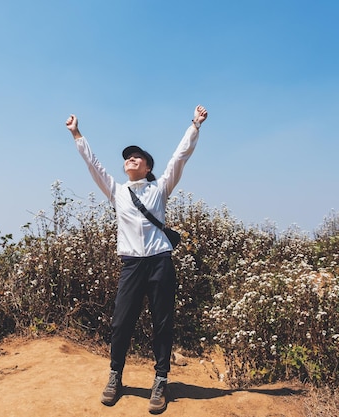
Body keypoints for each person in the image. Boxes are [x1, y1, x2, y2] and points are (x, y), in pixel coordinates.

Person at [65, 105, 208, 414]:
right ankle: (115, 377)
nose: (130, 159)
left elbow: (179, 157)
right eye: (128, 157)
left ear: (146, 168)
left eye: (137, 157)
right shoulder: (116, 191)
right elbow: (94, 164)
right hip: (131, 265)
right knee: (121, 323)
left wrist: (194, 126)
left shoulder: (160, 189)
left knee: (162, 323)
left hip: (160, 262)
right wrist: (77, 134)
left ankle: (160, 380)